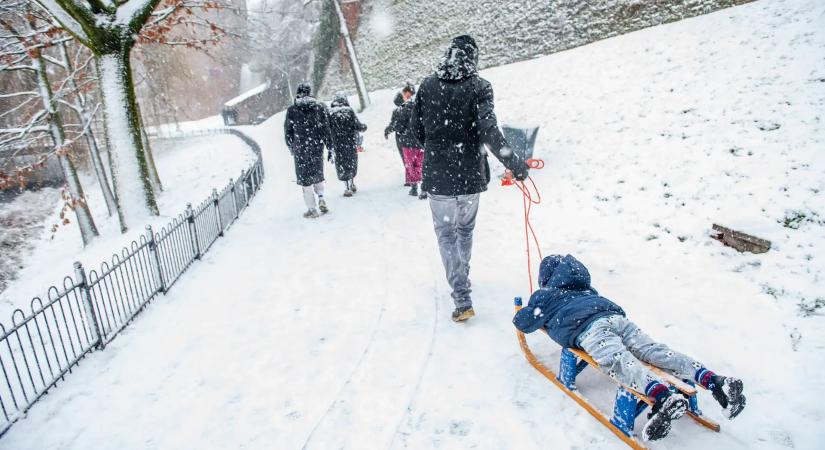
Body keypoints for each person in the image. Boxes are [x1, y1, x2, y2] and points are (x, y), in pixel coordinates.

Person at [513, 254, 747, 442]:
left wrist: (529, 305)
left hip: (587, 328)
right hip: (616, 319)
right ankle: (713, 380)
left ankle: (661, 396)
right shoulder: (586, 290)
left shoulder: (546, 296)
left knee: (618, 361)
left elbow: (524, 322)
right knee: (654, 351)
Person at [410, 35, 529, 322]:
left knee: (446, 233)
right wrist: (514, 163)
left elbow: (417, 131)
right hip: (469, 174)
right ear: (473, 59)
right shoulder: (480, 87)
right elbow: (489, 131)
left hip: (438, 175)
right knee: (464, 231)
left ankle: (461, 295)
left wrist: (438, 145)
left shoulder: (427, 85)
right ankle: (463, 275)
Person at [284, 83, 332, 218]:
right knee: (317, 175)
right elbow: (325, 129)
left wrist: (291, 146)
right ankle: (321, 197)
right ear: (310, 93)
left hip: (301, 150)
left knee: (305, 181)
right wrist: (329, 146)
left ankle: (312, 209)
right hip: (316, 147)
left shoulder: (292, 110)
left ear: (298, 93)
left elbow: (288, 131)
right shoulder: (319, 108)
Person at [327, 94, 367, 197]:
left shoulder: (331, 114)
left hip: (337, 145)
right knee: (350, 163)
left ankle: (347, 187)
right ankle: (351, 184)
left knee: (342, 165)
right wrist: (363, 127)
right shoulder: (349, 111)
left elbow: (327, 129)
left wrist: (329, 143)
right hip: (349, 143)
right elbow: (357, 125)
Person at [394, 84, 427, 199]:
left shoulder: (403, 109)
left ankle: (414, 187)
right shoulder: (421, 107)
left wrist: (402, 133)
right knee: (421, 164)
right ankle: (424, 187)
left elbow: (398, 126)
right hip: (420, 141)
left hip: (408, 142)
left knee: (410, 164)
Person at [384, 92, 407, 185]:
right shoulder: (412, 108)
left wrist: (387, 131)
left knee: (405, 158)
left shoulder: (397, 112)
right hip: (414, 136)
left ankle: (411, 178)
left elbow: (393, 125)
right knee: (417, 156)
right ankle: (419, 174)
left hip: (401, 137)